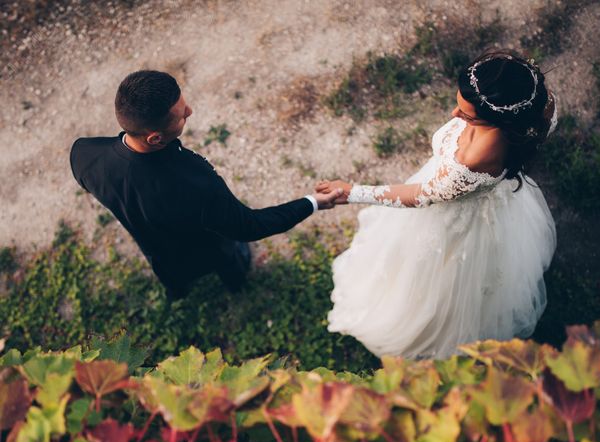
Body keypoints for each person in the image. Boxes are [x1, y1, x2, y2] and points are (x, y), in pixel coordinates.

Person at [316, 51, 558, 360]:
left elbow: (419, 195)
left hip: (453, 222)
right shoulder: (537, 101)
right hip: (491, 199)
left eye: (468, 115)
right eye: (459, 102)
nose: (455, 114)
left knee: (429, 286)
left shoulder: (472, 160)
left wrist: (352, 192)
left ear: (500, 121)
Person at [70, 70, 342, 301]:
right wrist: (314, 201)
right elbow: (251, 226)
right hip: (207, 248)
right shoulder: (195, 183)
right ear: (154, 138)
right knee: (231, 263)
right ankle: (236, 288)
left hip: (158, 254)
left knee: (173, 279)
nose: (190, 111)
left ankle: (178, 295)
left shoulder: (85, 154)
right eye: (181, 116)